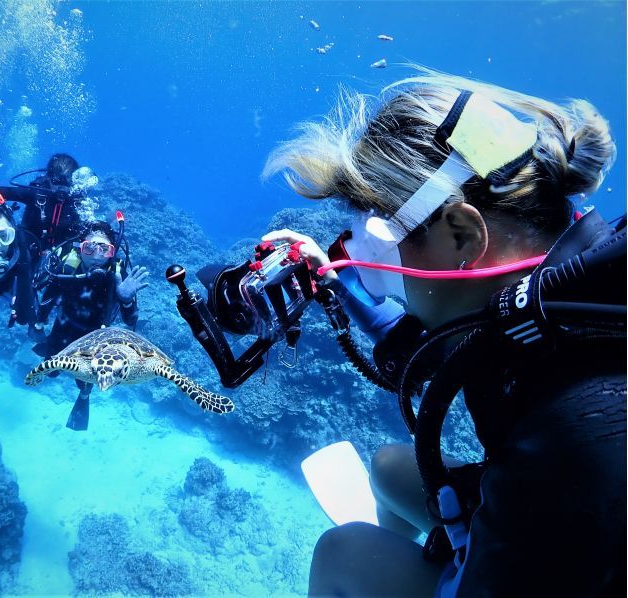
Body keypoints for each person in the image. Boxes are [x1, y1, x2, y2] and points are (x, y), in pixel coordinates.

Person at [262, 71, 625, 596]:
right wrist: (339, 283)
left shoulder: (575, 436)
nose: (386, 284)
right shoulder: (553, 296)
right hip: (547, 511)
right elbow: (438, 346)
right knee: (388, 467)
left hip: (555, 531)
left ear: (462, 235)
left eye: (379, 255)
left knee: (342, 553)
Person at [30, 220, 149, 431]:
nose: (96, 255)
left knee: (85, 381)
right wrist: (38, 324)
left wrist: (126, 299)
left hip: (97, 340)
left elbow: (131, 321)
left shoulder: (117, 275)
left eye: (104, 249)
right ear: (80, 248)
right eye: (89, 248)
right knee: (51, 370)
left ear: (112, 253)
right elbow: (49, 297)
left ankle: (84, 396)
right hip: (63, 329)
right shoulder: (68, 267)